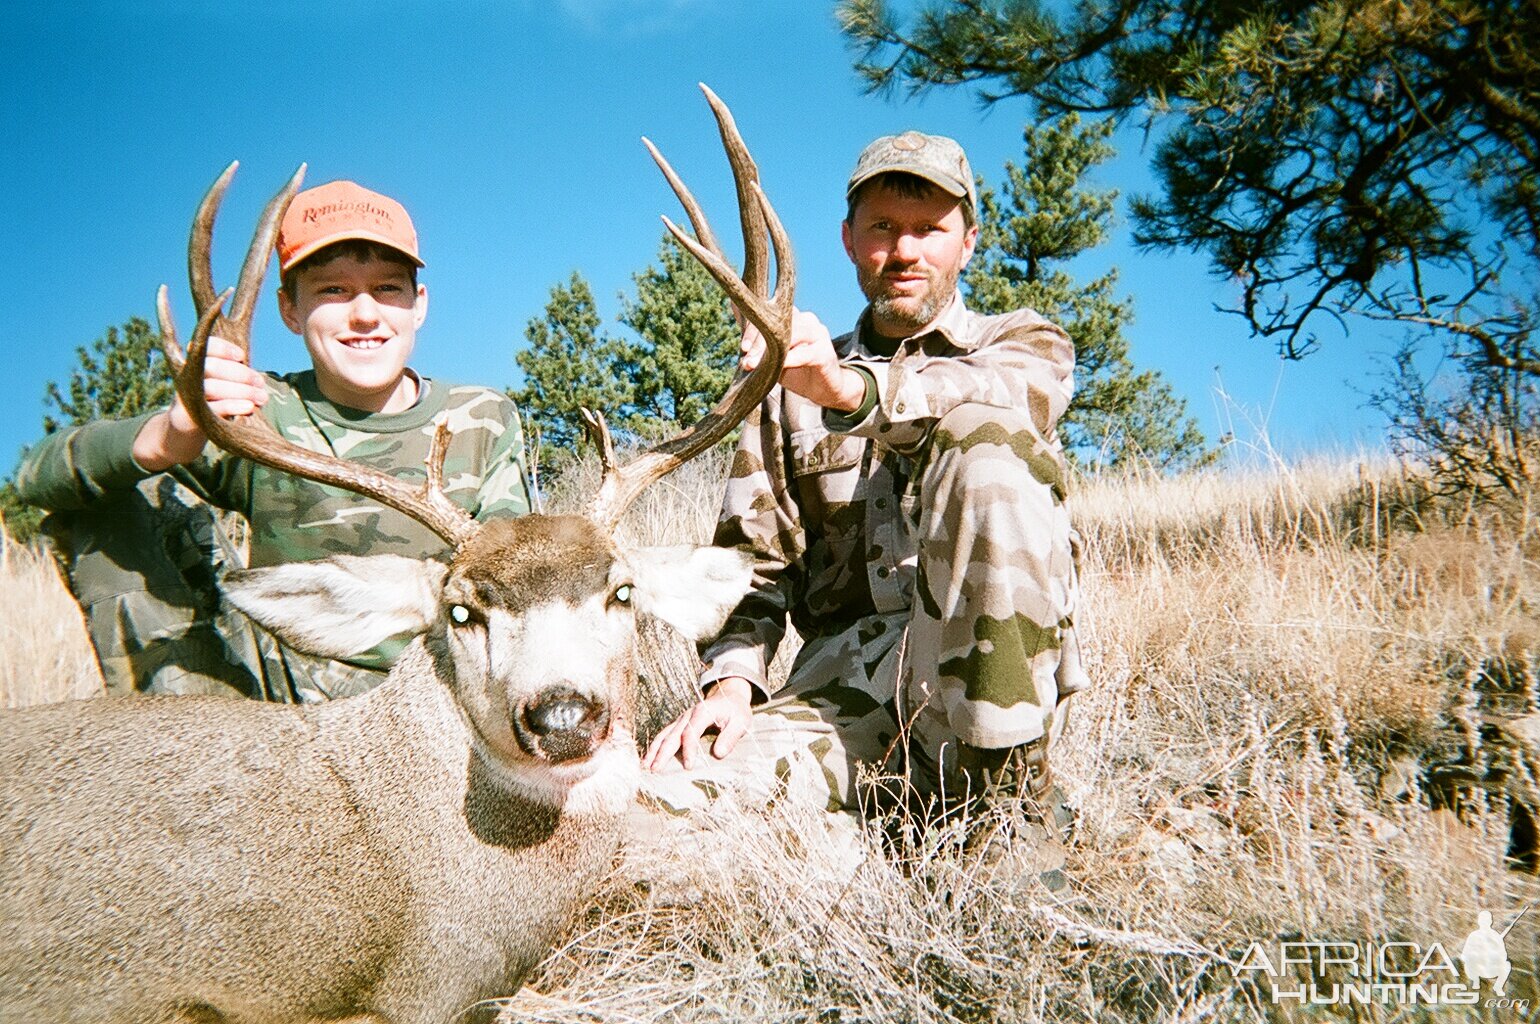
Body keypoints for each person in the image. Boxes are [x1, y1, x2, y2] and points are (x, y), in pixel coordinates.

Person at [643, 130, 1088, 886]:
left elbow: (997, 402)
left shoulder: (1024, 343)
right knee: (667, 807)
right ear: (849, 240)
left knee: (984, 441)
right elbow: (755, 560)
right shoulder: (788, 384)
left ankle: (1007, 802)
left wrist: (850, 392)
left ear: (968, 241)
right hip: (841, 689)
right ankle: (869, 823)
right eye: (882, 227)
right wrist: (731, 684)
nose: (904, 249)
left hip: (975, 682)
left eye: (929, 229)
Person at [16, 178, 534, 702]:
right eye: (333, 289)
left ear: (418, 304)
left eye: (387, 288)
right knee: (121, 491)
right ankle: (182, 735)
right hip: (277, 705)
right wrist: (169, 438)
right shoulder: (252, 409)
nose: (365, 314)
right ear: (289, 309)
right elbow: (37, 478)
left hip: (443, 697)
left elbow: (521, 585)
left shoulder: (481, 418)